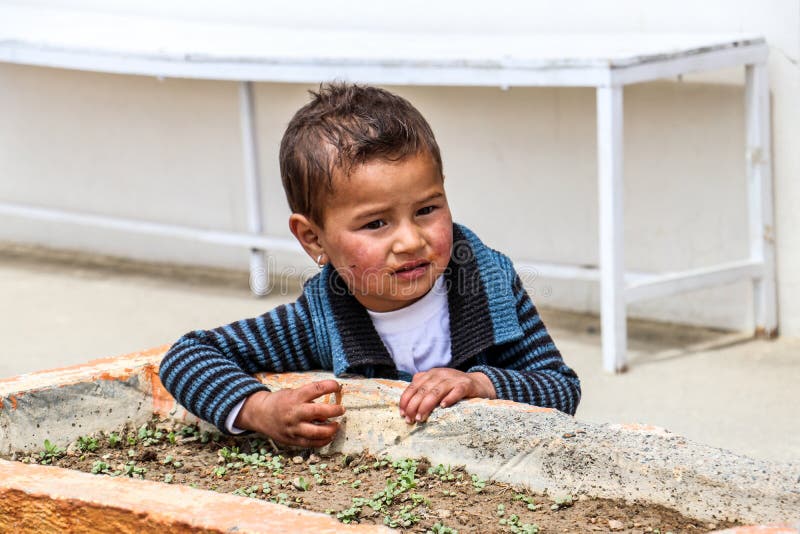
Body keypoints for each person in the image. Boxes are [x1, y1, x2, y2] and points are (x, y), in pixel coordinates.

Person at [159, 82, 580, 449]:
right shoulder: (321, 320)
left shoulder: (488, 286)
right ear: (313, 238)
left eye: (427, 209)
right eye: (376, 223)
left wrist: (480, 384)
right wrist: (260, 409)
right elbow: (187, 357)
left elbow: (562, 388)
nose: (411, 240)